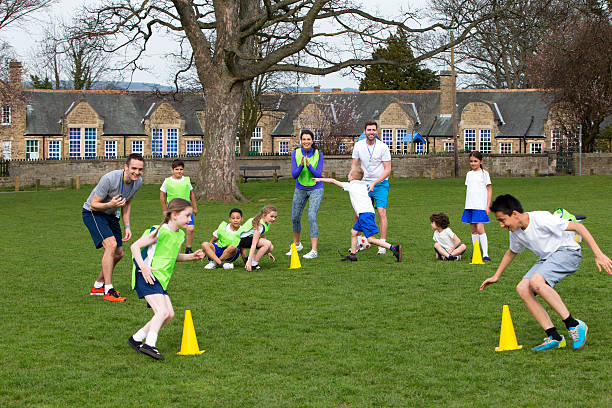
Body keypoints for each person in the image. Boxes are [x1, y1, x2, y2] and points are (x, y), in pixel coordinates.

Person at [480, 194, 612, 351]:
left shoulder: (541, 218)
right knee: (522, 288)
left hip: (568, 252)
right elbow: (512, 251)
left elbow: (578, 227)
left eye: (502, 220)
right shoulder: (514, 231)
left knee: (536, 281)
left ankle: (574, 325)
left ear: (515, 214)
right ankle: (554, 336)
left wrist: (598, 254)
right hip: (547, 258)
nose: (501, 225)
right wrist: (496, 275)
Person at [128, 198, 205, 360]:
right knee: (162, 312)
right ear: (175, 215)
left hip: (161, 279)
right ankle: (149, 345)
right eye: (187, 215)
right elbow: (134, 246)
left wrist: (192, 256)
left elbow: (174, 256)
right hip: (147, 276)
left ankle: (135, 339)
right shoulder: (160, 231)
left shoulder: (180, 235)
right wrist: (143, 267)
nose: (190, 219)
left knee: (168, 314)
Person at [82, 153, 144, 302]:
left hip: (111, 215)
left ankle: (98, 285)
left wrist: (127, 225)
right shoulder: (109, 179)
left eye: (140, 169)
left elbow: (127, 204)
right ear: (126, 167)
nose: (136, 172)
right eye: (133, 168)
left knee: (119, 253)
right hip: (93, 213)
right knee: (111, 245)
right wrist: (110, 204)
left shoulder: (138, 182)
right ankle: (108, 290)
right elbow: (93, 204)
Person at [315, 166, 402, 262]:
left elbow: (332, 180)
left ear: (351, 176)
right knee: (353, 232)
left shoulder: (351, 185)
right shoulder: (364, 184)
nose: (348, 175)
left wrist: (319, 179)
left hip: (365, 215)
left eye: (349, 174)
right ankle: (353, 255)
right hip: (366, 213)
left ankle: (394, 248)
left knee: (370, 239)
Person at [351, 121, 392, 254]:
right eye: (369, 130)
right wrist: (352, 179)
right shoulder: (358, 145)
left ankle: (383, 243)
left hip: (380, 184)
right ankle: (357, 243)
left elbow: (387, 169)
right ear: (364, 131)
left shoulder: (383, 147)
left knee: (381, 212)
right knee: (359, 213)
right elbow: (354, 165)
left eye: (374, 130)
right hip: (363, 184)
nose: (371, 132)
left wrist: (375, 183)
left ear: (377, 132)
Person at [285, 129, 324, 259]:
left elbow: (318, 175)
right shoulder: (295, 153)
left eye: (309, 139)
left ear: (312, 141)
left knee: (311, 216)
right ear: (301, 141)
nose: (306, 141)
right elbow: (294, 175)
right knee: (295, 217)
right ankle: (297, 244)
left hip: (316, 188)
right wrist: (301, 165)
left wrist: (309, 166)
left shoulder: (318, 154)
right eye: (304, 139)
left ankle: (314, 250)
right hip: (300, 188)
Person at [160, 159, 198, 254]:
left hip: (187, 210)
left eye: (181, 169)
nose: (179, 171)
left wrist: (195, 207)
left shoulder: (187, 180)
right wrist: (165, 210)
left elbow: (191, 194)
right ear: (172, 170)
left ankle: (188, 248)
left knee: (190, 228)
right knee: (171, 229)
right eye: (177, 169)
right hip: (173, 210)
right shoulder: (167, 181)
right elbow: (162, 196)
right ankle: (168, 247)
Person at [461, 151, 492, 261]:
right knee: (473, 229)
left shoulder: (484, 174)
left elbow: (489, 190)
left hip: (480, 206)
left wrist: (487, 206)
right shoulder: (469, 174)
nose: (473, 163)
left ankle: (485, 254)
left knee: (480, 228)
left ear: (481, 161)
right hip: (469, 205)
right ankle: (476, 252)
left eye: (475, 161)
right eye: (471, 161)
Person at [240, 206, 278, 271]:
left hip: (248, 239)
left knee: (271, 247)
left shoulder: (266, 222)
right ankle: (253, 264)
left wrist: (267, 251)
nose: (273, 219)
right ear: (264, 215)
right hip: (242, 240)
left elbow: (263, 235)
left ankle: (252, 261)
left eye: (275, 217)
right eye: (271, 216)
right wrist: (249, 261)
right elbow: (253, 244)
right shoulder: (259, 225)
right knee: (268, 243)